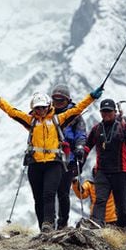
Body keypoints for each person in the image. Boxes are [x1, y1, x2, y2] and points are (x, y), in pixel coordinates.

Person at [0, 86, 103, 232]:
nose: (40, 110)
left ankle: (48, 224)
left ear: (48, 106)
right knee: (38, 198)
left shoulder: (58, 119)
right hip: (35, 164)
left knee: (49, 194)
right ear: (33, 108)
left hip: (54, 163)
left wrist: (92, 96)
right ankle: (43, 228)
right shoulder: (30, 121)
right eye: (37, 108)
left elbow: (77, 109)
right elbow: (11, 112)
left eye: (43, 107)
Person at [84, 98, 126, 231]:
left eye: (109, 111)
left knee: (121, 203)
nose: (106, 114)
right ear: (100, 112)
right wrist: (81, 158)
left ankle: (122, 228)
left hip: (120, 171)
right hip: (102, 171)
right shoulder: (96, 129)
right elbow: (88, 145)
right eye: (104, 111)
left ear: (115, 112)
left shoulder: (123, 127)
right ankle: (96, 224)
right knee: (100, 199)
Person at [51, 84, 87, 229]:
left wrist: (79, 147)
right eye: (55, 99)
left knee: (63, 193)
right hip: (50, 160)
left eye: (62, 100)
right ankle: (48, 222)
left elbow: (81, 134)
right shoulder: (48, 113)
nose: (58, 102)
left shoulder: (75, 116)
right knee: (48, 192)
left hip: (68, 160)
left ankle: (62, 223)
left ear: (68, 100)